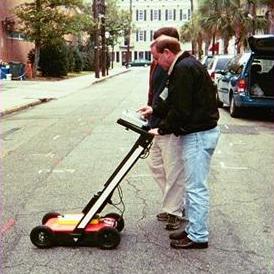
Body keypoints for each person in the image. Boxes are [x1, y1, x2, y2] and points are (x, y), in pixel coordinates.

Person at [139, 37, 220, 249]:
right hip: (199, 132)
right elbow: (173, 100)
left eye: (157, 57)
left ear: (167, 52)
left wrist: (163, 128)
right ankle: (194, 228)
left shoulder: (183, 68)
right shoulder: (184, 65)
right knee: (193, 186)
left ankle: (198, 235)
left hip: (198, 135)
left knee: (195, 188)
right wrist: (155, 110)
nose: (157, 63)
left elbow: (181, 109)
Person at [145, 27, 186, 231]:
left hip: (167, 125)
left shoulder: (173, 66)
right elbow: (155, 93)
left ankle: (176, 210)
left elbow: (171, 99)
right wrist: (151, 112)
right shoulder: (158, 63)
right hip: (157, 121)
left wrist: (161, 123)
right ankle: (174, 205)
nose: (156, 54)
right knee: (156, 166)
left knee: (173, 170)